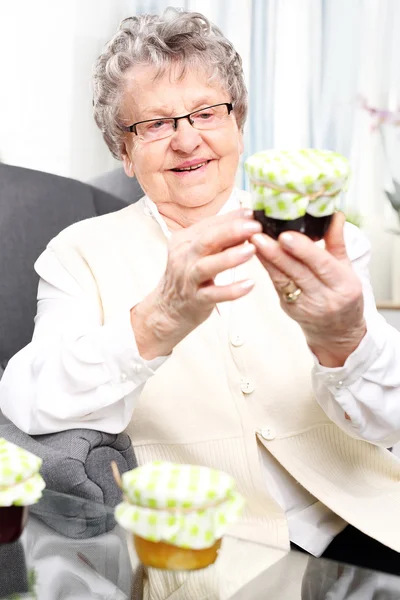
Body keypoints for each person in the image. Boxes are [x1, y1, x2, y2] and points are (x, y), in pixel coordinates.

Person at [1, 6, 399, 584]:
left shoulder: (328, 240)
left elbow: (389, 423)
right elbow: (28, 399)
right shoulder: (77, 252)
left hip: (369, 520)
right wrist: (156, 321)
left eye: (207, 113)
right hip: (202, 552)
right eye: (155, 125)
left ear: (238, 123)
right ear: (124, 151)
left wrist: (345, 340)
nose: (188, 140)